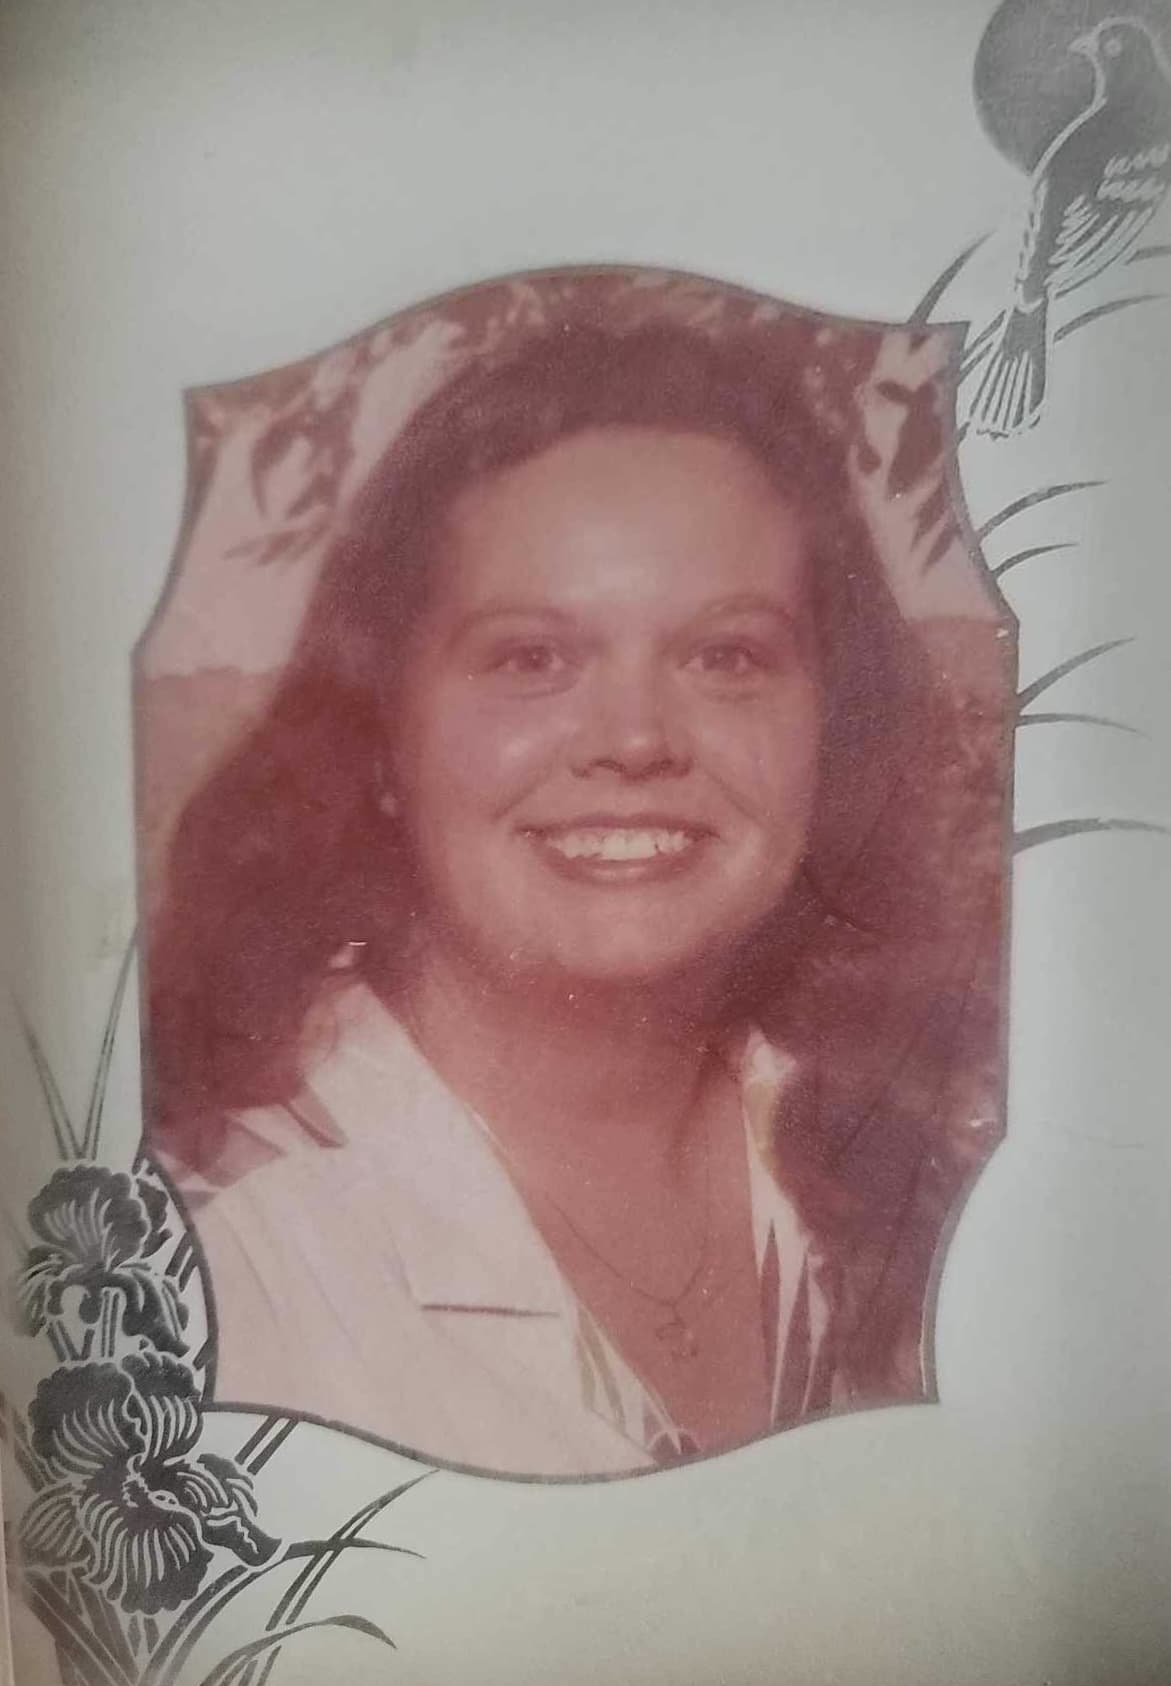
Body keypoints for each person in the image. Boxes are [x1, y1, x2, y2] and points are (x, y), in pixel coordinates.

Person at [146, 314, 1005, 1476]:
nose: (635, 739)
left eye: (726, 656)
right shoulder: (203, 1257)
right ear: (381, 735)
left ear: (829, 727)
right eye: (531, 658)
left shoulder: (929, 1146)